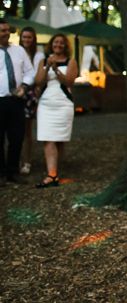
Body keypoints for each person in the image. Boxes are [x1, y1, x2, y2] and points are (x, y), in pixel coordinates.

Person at [35, 33, 79, 188]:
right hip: (46, 103)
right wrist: (47, 67)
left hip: (63, 103)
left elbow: (69, 81)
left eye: (61, 43)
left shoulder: (71, 61)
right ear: (51, 45)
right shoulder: (43, 61)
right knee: (48, 138)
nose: (58, 45)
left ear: (65, 45)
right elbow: (38, 81)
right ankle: (51, 174)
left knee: (60, 139)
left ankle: (55, 172)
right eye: (55, 42)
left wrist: (57, 69)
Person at [0, 18, 35, 186]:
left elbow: (30, 72)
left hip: (16, 100)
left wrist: (24, 86)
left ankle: (12, 172)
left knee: (17, 137)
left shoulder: (19, 50)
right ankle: (0, 174)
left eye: (7, 30)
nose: (7, 33)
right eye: (3, 31)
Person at [19, 26, 45, 176]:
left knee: (27, 131)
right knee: (15, 131)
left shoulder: (39, 55)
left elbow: (37, 77)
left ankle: (26, 161)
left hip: (30, 94)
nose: (26, 40)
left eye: (29, 37)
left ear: (34, 39)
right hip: (16, 93)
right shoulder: (16, 52)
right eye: (24, 37)